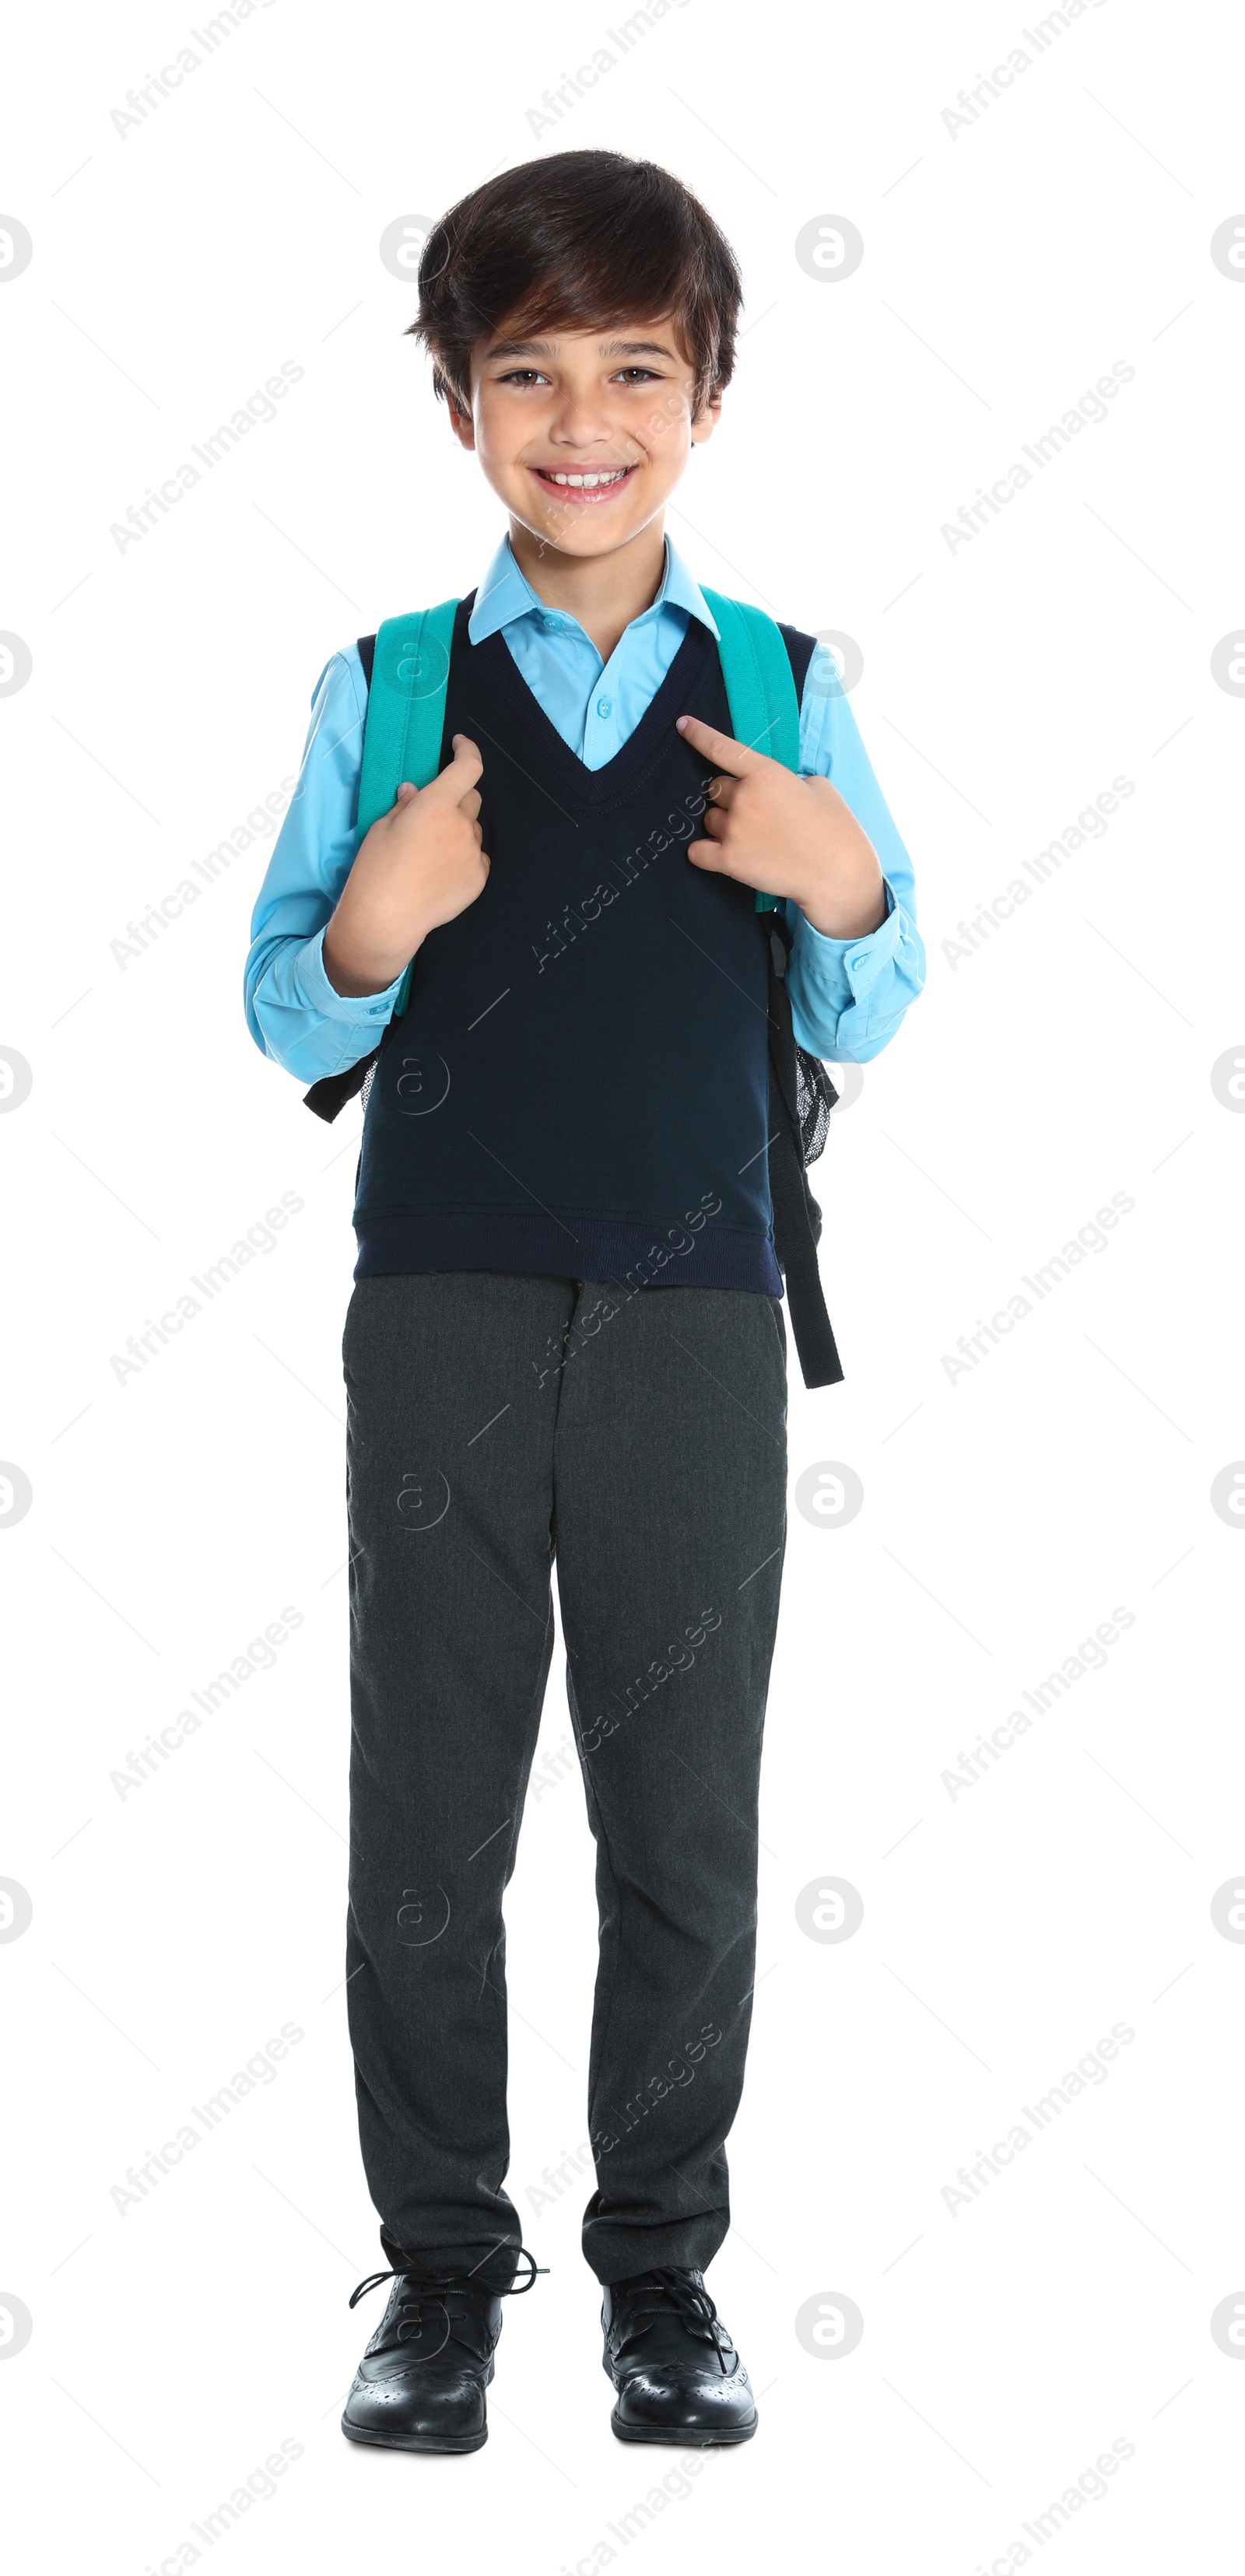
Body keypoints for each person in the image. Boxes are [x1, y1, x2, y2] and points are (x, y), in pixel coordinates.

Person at [244, 147, 924, 2455]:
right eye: (523, 371)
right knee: (428, 1811)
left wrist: (837, 875)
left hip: (701, 1317)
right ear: (456, 403)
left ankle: (663, 2274)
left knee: (681, 1818)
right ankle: (442, 2274)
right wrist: (378, 915)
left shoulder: (784, 683)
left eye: (635, 367)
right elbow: (290, 1010)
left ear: (709, 392)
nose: (581, 418)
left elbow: (875, 986)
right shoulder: (391, 683)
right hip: (435, 1303)